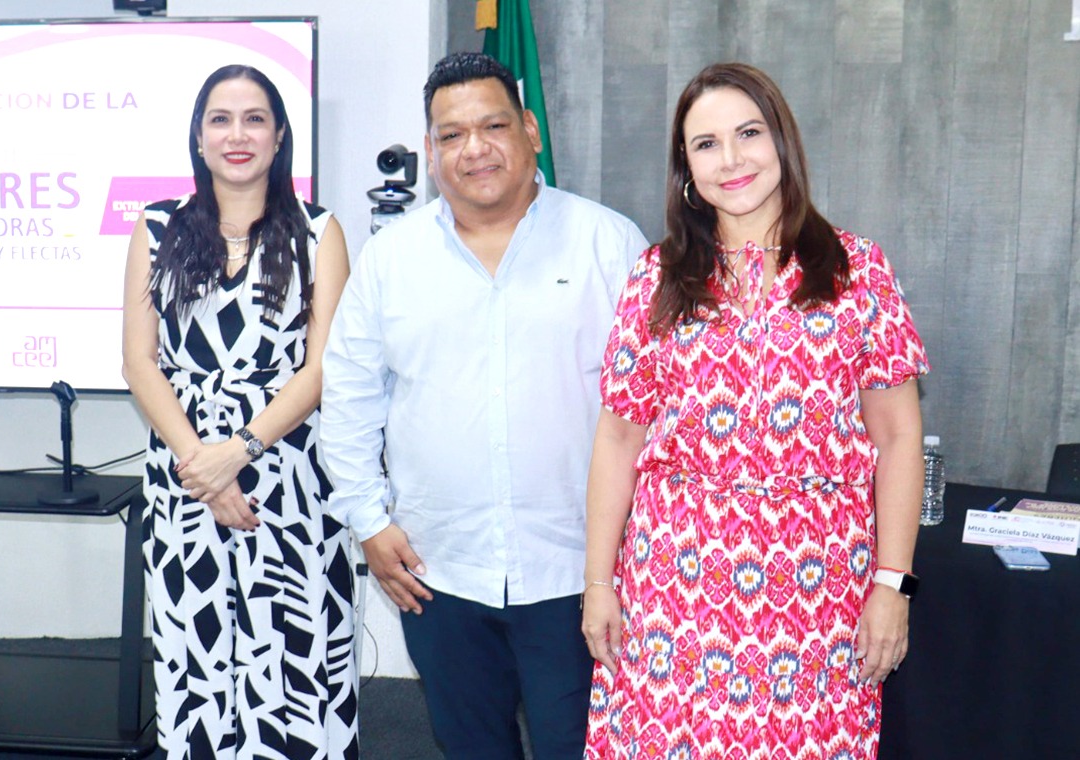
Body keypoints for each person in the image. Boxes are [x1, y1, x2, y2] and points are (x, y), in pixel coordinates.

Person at [581, 62, 929, 759]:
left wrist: (893, 585)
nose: (731, 159)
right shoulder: (656, 277)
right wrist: (597, 583)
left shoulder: (856, 269)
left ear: (782, 142)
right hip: (675, 583)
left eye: (748, 134)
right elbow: (618, 439)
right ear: (687, 168)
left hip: (818, 586)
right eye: (706, 144)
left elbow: (898, 438)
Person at [319, 52, 648, 759]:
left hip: (578, 572)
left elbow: (659, 407)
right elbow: (348, 398)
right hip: (440, 571)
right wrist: (368, 522)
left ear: (530, 130)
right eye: (452, 134)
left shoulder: (609, 244)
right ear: (432, 149)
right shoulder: (391, 259)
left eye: (494, 126)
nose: (475, 148)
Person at [122, 64, 357, 759]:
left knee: (293, 657)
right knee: (196, 659)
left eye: (255, 119)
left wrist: (240, 451)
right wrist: (204, 465)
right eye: (220, 120)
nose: (237, 135)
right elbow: (139, 362)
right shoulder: (157, 227)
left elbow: (322, 368)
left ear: (279, 136)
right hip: (186, 479)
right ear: (198, 138)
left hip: (289, 478)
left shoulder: (320, 232)